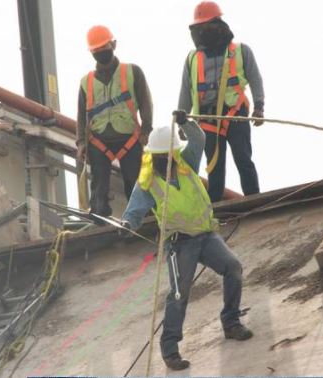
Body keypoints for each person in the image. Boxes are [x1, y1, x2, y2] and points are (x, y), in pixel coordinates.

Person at [121, 110, 253, 371]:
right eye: (161, 156)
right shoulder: (146, 182)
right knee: (179, 294)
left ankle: (231, 322)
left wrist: (185, 122)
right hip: (179, 243)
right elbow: (134, 212)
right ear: (152, 156)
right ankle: (170, 350)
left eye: (169, 154)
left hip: (205, 235)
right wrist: (127, 224)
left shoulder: (186, 162)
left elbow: (198, 139)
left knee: (233, 267)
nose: (166, 159)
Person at [178, 1, 265, 202]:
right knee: (214, 165)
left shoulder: (241, 51)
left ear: (218, 24)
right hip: (207, 119)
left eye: (206, 26)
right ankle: (215, 206)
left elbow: (255, 79)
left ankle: (254, 200)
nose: (202, 32)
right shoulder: (192, 59)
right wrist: (183, 123)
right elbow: (186, 91)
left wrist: (259, 107)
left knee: (243, 158)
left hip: (235, 113)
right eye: (199, 28)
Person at [77, 25, 153, 216]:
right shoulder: (86, 82)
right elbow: (81, 114)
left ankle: (141, 222)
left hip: (129, 137)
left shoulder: (132, 72)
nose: (101, 52)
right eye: (96, 49)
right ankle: (100, 224)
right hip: (98, 140)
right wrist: (80, 142)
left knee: (135, 183)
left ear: (114, 44)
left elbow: (145, 102)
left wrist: (146, 131)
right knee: (99, 189)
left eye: (104, 47)